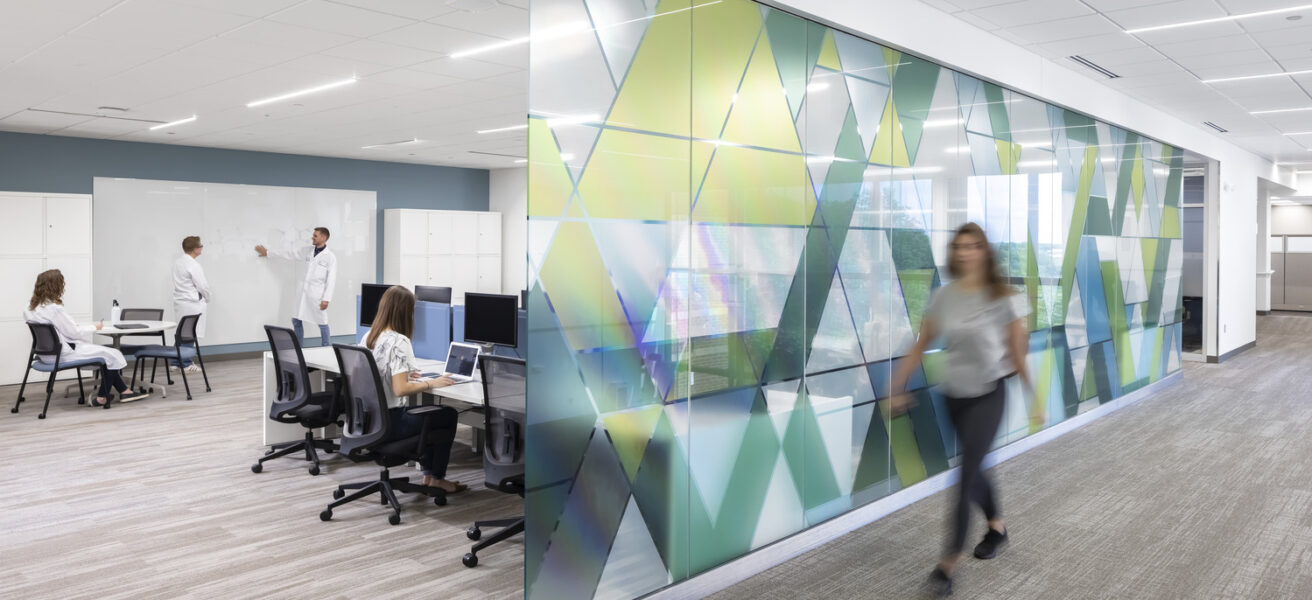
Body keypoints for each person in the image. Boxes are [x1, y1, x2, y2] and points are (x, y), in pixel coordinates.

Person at [888, 222, 1038, 596]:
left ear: (984, 251)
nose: (965, 252)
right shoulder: (944, 296)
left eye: (973, 246)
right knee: (976, 467)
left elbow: (1018, 353)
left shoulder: (1006, 297)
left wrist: (1034, 399)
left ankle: (946, 567)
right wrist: (896, 386)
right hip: (953, 393)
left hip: (989, 393)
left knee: (965, 476)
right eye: (959, 246)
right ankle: (997, 528)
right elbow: (921, 344)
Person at [364, 285, 469, 494]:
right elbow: (400, 389)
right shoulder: (400, 341)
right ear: (405, 312)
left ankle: (430, 477)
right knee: (447, 415)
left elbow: (376, 375)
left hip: (371, 420)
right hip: (392, 422)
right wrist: (431, 383)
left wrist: (401, 374)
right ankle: (435, 478)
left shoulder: (370, 336)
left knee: (433, 417)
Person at [24, 269, 149, 407]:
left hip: (45, 355)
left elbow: (59, 331)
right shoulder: (54, 309)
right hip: (63, 355)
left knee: (109, 355)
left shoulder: (30, 309)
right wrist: (96, 327)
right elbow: (74, 333)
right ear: (55, 286)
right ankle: (102, 398)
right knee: (114, 354)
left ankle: (125, 391)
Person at [254, 226, 337, 347]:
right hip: (303, 293)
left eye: (315, 235)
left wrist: (326, 299)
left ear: (323, 238)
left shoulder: (330, 257)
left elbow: (331, 279)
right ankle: (299, 348)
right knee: (296, 319)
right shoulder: (307, 251)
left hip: (317, 295)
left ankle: (326, 347)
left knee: (322, 323)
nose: (312, 237)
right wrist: (268, 253)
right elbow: (289, 253)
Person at [172, 235, 210, 373]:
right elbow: (202, 286)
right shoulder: (193, 265)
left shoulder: (178, 262)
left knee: (181, 333)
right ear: (195, 249)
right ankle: (186, 363)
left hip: (180, 302)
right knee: (189, 333)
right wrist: (207, 297)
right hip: (192, 303)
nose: (201, 247)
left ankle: (175, 361)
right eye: (200, 245)